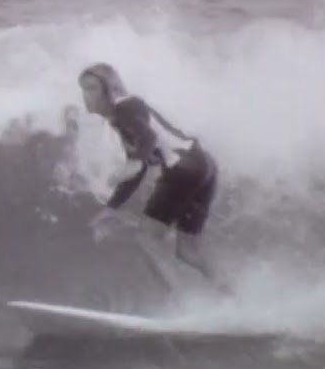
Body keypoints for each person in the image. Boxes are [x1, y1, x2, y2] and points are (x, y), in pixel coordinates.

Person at [77, 62, 231, 294]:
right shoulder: (127, 112)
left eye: (91, 88)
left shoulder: (124, 109)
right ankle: (233, 297)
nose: (85, 95)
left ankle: (185, 306)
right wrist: (112, 206)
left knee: (148, 238)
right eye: (84, 89)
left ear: (110, 89)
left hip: (182, 169)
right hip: (202, 163)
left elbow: (147, 140)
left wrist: (136, 160)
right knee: (188, 251)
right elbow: (139, 166)